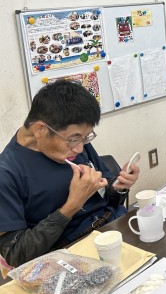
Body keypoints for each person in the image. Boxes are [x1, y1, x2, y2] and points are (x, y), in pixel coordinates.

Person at [0, 80, 140, 267]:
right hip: (69, 257)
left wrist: (120, 186)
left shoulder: (76, 143)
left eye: (86, 137)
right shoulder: (7, 173)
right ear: (40, 129)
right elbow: (17, 254)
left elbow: (108, 197)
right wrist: (72, 205)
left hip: (113, 229)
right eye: (74, 139)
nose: (80, 148)